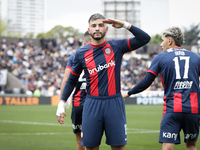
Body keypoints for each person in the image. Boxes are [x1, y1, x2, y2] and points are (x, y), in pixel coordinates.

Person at [56, 13, 150, 150]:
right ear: (89, 30)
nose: (97, 28)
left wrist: (124, 24)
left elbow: (145, 38)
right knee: (90, 147)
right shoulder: (81, 53)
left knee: (118, 147)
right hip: (92, 104)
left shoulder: (117, 46)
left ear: (106, 29)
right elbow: (71, 80)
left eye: (101, 25)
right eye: (93, 26)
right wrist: (62, 102)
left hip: (114, 103)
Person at [122, 27, 200, 150]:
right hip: (193, 110)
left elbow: (146, 82)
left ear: (170, 41)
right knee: (191, 146)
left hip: (173, 109)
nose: (160, 44)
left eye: (162, 40)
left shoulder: (161, 57)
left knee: (167, 147)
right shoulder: (196, 57)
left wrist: (128, 93)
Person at [57, 31, 91, 150]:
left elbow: (66, 80)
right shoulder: (100, 55)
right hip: (96, 102)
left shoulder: (74, 57)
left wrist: (61, 104)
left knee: (80, 142)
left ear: (84, 42)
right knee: (93, 142)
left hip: (78, 103)